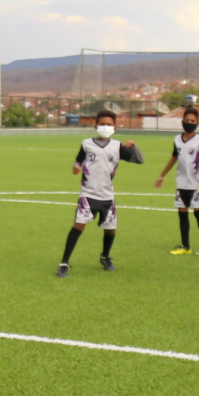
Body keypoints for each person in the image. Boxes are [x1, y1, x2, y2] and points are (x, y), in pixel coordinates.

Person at [57, 110, 144, 277]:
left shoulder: (118, 147)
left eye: (109, 124)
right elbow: (78, 160)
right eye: (102, 124)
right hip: (88, 194)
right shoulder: (87, 144)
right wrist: (76, 166)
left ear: (115, 127)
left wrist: (134, 147)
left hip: (107, 197)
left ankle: (105, 257)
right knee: (78, 225)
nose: (106, 127)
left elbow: (140, 160)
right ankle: (64, 263)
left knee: (110, 230)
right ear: (95, 126)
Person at [152, 105, 199, 255]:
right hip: (181, 183)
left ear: (197, 123)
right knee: (182, 213)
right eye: (187, 120)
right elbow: (174, 158)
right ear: (182, 121)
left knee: (198, 212)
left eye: (193, 120)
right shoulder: (177, 140)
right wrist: (162, 175)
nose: (189, 122)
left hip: (196, 184)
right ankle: (185, 246)